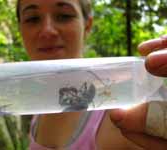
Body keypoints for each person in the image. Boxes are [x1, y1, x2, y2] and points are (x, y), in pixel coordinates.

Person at [15, 0, 167, 149]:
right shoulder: (38, 112)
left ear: (87, 25)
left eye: (64, 16)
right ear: (20, 28)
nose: (47, 30)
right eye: (32, 18)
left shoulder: (123, 115)